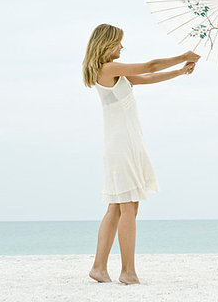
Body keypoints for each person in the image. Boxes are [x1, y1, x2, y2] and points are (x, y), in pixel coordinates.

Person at [82, 23, 200, 285]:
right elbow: (149, 66)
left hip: (125, 143)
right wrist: (183, 55)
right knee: (128, 207)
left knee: (116, 207)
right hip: (121, 145)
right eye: (119, 42)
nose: (122, 47)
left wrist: (180, 72)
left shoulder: (115, 73)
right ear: (106, 44)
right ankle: (127, 272)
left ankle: (99, 267)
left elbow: (147, 78)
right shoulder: (108, 68)